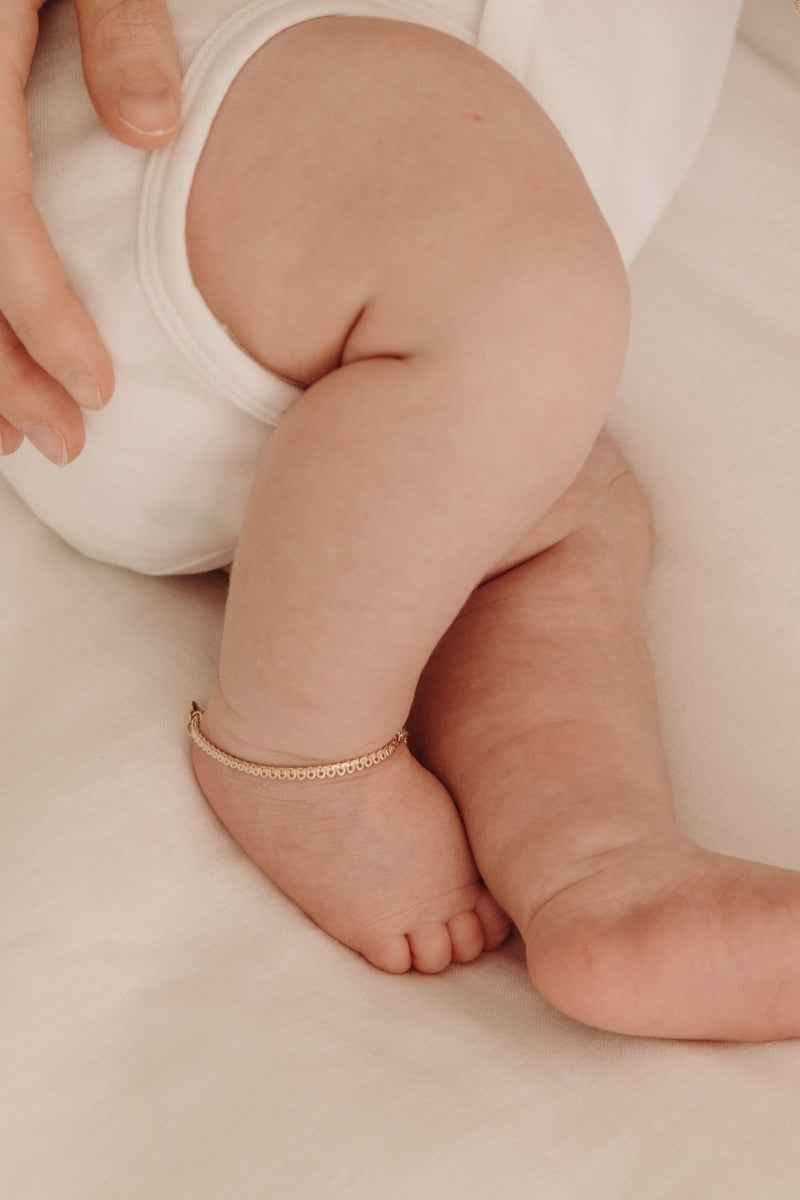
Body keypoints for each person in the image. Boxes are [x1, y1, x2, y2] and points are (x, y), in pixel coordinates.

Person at [7, 0, 800, 1045]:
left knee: (555, 504)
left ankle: (596, 860)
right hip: (201, 114)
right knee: (523, 318)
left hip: (295, 310)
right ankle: (294, 751)